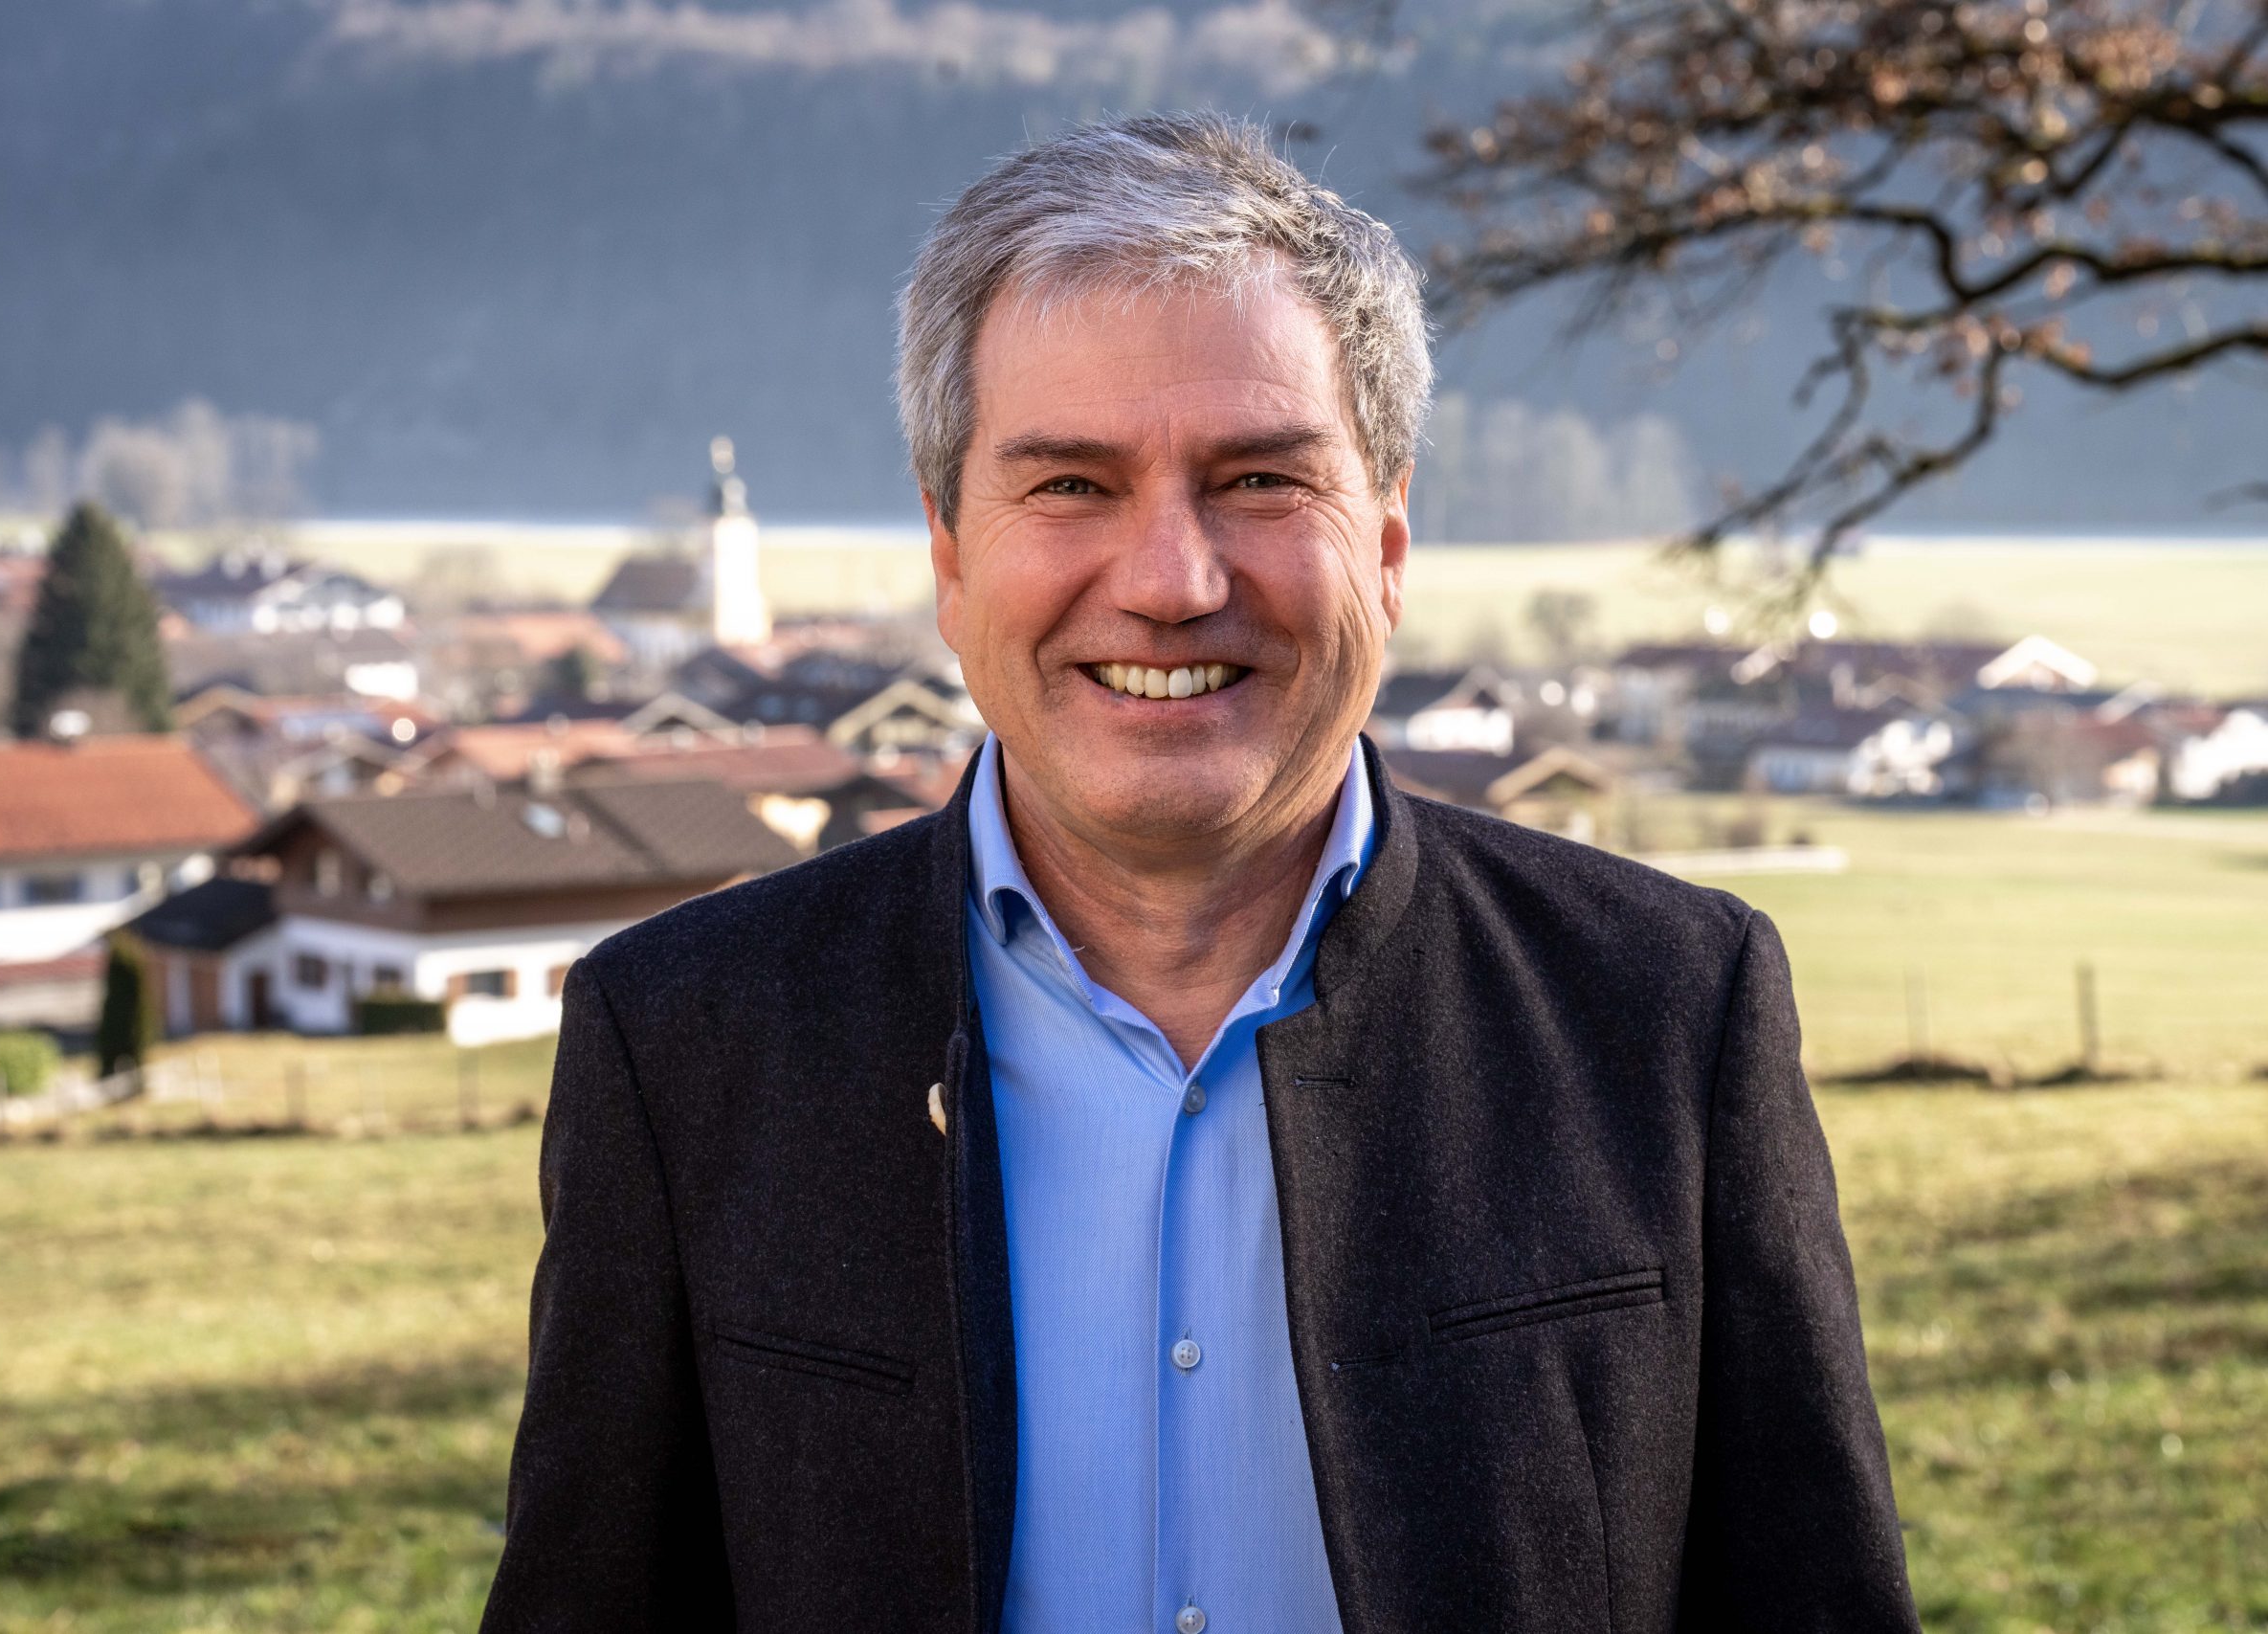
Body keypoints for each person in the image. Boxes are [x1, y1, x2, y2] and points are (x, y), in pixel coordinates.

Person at [480, 113, 1920, 1634]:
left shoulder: (1665, 1012)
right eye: (1070, 486)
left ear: (1388, 544)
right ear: (950, 556)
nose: (1172, 582)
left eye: (1258, 480)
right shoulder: (685, 1045)